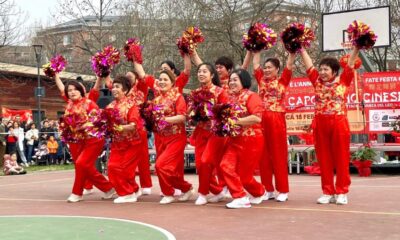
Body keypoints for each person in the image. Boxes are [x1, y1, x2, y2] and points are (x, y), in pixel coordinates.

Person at [300, 46, 360, 205]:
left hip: (339, 123)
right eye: (321, 69)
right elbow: (308, 65)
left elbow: (350, 63)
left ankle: (341, 191)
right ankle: (327, 191)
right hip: (320, 124)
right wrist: (301, 49)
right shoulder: (316, 82)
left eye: (326, 69)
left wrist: (357, 46)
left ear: (334, 71)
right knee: (324, 159)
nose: (322, 72)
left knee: (341, 158)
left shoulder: (344, 80)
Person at [60, 78, 114, 202]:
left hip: (94, 139)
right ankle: (108, 188)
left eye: (75, 90)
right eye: (70, 90)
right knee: (85, 166)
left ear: (81, 91)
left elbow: (100, 121)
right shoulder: (69, 105)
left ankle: (77, 193)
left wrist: (86, 125)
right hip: (78, 140)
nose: (72, 92)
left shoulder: (89, 103)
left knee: (81, 164)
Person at [251, 50, 296, 202]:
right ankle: (267, 189)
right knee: (263, 156)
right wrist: (256, 47)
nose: (267, 69)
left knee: (278, 155)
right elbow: (255, 65)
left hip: (277, 120)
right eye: (266, 67)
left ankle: (283, 190)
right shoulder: (261, 80)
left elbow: (289, 65)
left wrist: (293, 50)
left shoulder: (283, 80)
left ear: (277, 69)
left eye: (270, 67)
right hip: (262, 119)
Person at [219, 69, 266, 208]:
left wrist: (235, 121)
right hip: (235, 140)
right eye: (231, 80)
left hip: (252, 141)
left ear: (243, 81)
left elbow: (257, 117)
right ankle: (240, 196)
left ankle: (259, 191)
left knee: (245, 177)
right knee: (225, 166)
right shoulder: (229, 98)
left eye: (235, 80)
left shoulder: (252, 96)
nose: (232, 82)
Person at [104, 71, 153, 195]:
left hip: (134, 139)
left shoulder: (133, 103)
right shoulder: (110, 107)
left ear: (125, 90)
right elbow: (104, 124)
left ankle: (130, 192)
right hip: (118, 142)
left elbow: (133, 125)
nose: (114, 89)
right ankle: (133, 189)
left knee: (126, 168)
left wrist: (121, 128)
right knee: (112, 167)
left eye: (117, 87)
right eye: (113, 87)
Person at [188, 63, 229, 205]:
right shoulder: (196, 92)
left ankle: (203, 193)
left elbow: (225, 113)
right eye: (199, 71)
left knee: (206, 161)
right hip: (200, 132)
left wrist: (211, 114)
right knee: (200, 165)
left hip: (215, 133)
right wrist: (192, 115)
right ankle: (218, 191)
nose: (201, 73)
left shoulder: (220, 92)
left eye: (205, 71)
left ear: (212, 75)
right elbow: (190, 113)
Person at [151, 70, 193, 204]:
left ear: (172, 82)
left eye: (165, 79)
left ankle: (168, 193)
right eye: (160, 79)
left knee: (160, 165)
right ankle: (186, 188)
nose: (162, 82)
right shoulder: (156, 100)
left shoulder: (177, 97)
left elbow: (182, 117)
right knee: (168, 169)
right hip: (161, 138)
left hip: (176, 138)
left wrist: (164, 119)